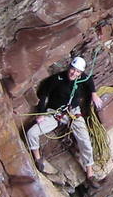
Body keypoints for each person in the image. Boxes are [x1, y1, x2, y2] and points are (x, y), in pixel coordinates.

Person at [26, 56, 104, 188]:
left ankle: (90, 175)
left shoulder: (82, 78)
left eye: (77, 72)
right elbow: (43, 94)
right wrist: (41, 113)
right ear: (69, 67)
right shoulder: (57, 79)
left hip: (74, 113)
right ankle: (38, 158)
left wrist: (94, 94)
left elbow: (89, 79)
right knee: (32, 133)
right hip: (55, 113)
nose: (74, 73)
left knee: (85, 142)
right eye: (73, 70)